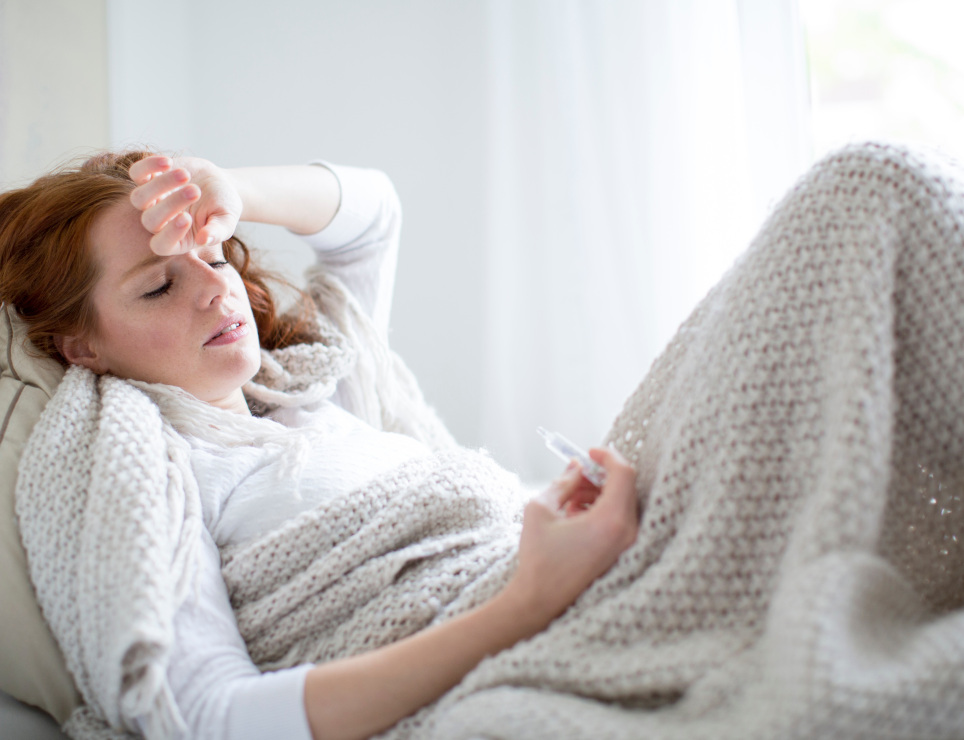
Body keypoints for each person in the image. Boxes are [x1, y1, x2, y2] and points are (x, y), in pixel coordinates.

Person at [0, 150, 640, 740]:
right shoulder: (150, 473)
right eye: (159, 286)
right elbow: (207, 716)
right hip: (508, 663)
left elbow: (371, 217)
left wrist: (232, 190)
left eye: (217, 255)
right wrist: (531, 598)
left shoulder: (321, 384)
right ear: (83, 347)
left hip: (570, 590)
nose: (216, 288)